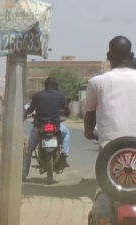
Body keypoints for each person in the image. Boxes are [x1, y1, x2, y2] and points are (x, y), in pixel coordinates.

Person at [84, 36, 136, 224]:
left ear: (108, 56)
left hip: (110, 158)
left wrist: (88, 132)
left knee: (105, 195)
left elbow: (89, 116)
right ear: (131, 55)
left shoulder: (97, 82)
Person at [23, 77, 70, 181]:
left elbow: (30, 109)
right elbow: (67, 111)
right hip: (55, 126)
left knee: (28, 150)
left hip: (40, 126)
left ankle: (24, 174)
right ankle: (65, 153)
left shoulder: (37, 96)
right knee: (66, 133)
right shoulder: (60, 95)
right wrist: (65, 112)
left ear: (45, 85)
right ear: (56, 86)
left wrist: (24, 115)